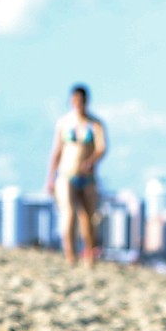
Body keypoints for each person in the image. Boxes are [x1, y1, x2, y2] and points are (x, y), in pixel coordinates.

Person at [46, 84, 108, 267]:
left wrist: (91, 161)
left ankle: (89, 255)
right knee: (69, 214)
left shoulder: (95, 124)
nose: (78, 104)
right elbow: (56, 151)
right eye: (75, 100)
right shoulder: (64, 123)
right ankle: (70, 255)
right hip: (66, 175)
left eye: (81, 100)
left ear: (86, 101)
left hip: (87, 177)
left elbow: (102, 148)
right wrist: (50, 177)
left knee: (88, 219)